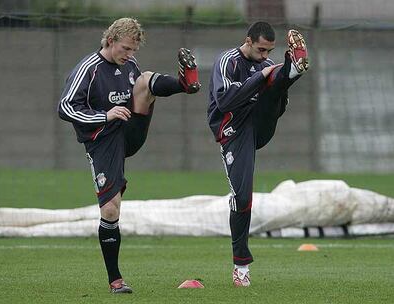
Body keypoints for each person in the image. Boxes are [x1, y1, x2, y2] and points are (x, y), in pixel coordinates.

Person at [58, 18, 200, 294]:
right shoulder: (88, 69)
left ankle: (185, 83)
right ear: (110, 41)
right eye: (126, 49)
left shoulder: (129, 65)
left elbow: (140, 91)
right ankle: (116, 280)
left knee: (145, 79)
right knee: (111, 209)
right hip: (103, 142)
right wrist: (104, 115)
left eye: (134, 50)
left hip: (129, 131)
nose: (130, 55)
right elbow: (65, 107)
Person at [207, 22, 309, 287]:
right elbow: (225, 102)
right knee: (242, 197)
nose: (264, 55)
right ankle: (241, 266)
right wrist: (261, 78)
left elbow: (280, 106)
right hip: (234, 130)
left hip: (260, 125)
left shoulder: (265, 64)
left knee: (274, 76)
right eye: (261, 50)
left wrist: (271, 80)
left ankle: (292, 67)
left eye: (270, 50)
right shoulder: (227, 61)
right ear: (248, 41)